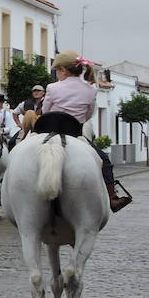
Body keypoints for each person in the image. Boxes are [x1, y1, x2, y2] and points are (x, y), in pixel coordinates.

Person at [42, 49, 132, 212]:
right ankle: (112, 197)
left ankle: (2, 189)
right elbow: (89, 114)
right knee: (104, 161)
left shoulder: (52, 88)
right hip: (76, 135)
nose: (56, 74)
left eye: (57, 71)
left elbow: (45, 111)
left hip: (51, 134)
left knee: (16, 149)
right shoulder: (91, 90)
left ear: (63, 70)